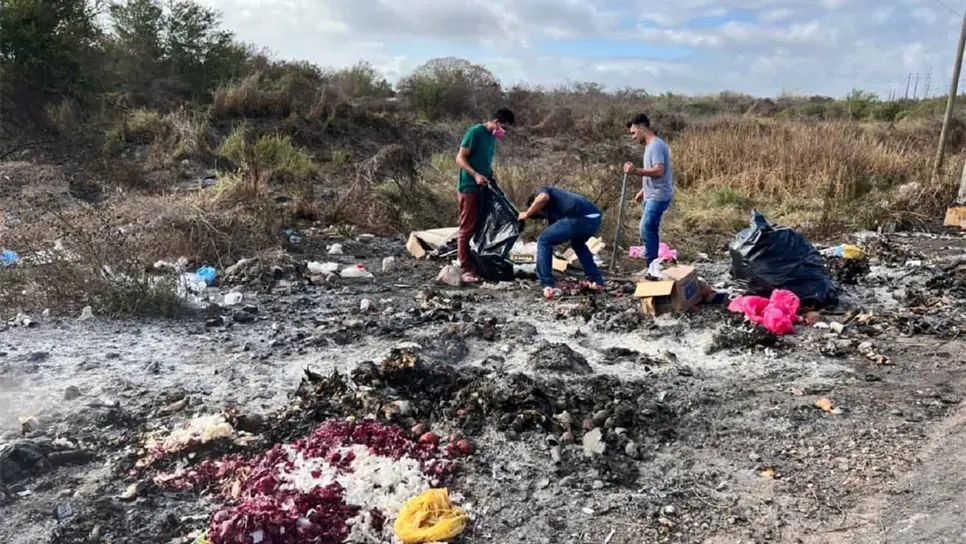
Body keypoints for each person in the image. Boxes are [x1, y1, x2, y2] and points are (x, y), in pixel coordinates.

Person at [454, 108, 515, 284]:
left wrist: (489, 174)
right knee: (467, 227)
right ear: (496, 122)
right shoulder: (475, 133)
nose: (503, 132)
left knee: (481, 225)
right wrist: (475, 175)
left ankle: (477, 263)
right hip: (469, 186)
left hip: (483, 186)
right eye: (503, 127)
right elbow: (460, 158)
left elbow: (483, 160)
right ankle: (464, 269)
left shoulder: (491, 137)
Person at [518, 186, 604, 297]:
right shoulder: (556, 210)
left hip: (579, 217)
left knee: (543, 240)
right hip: (594, 219)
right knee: (578, 244)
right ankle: (596, 280)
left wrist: (527, 213)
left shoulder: (543, 191)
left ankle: (547, 284)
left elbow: (543, 197)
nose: (542, 214)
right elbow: (557, 233)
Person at [624, 113, 673, 268]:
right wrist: (643, 190)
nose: (633, 137)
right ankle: (653, 264)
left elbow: (659, 170)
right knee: (650, 229)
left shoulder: (656, 146)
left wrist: (635, 171)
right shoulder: (650, 146)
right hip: (651, 194)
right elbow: (654, 172)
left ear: (642, 129)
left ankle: (651, 266)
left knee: (646, 228)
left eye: (634, 133)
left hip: (658, 195)